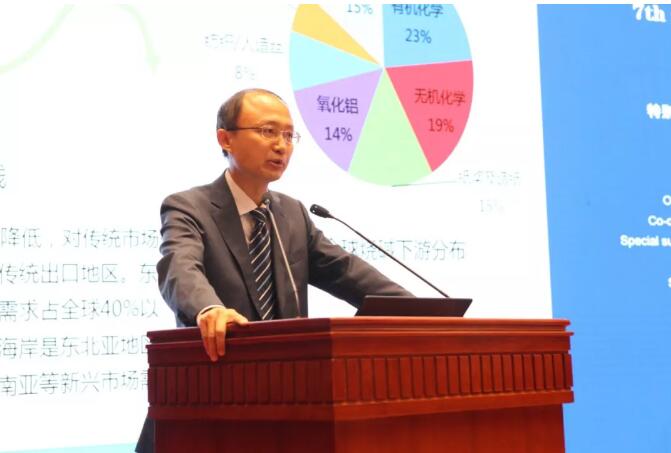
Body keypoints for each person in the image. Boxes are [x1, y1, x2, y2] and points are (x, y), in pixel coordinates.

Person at [135, 88, 411, 452]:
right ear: (225, 138)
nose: (281, 145)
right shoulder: (189, 207)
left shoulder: (292, 213)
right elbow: (179, 267)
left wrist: (419, 309)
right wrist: (209, 308)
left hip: (287, 404)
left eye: (289, 135)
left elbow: (347, 271)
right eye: (268, 131)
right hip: (210, 402)